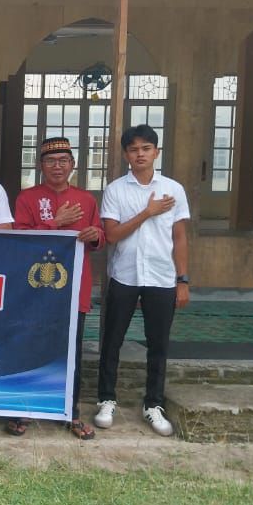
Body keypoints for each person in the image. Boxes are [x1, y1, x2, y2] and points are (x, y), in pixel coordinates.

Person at [94, 124, 190, 437]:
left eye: (146, 148)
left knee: (158, 344)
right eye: (134, 149)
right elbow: (111, 235)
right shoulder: (115, 190)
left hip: (161, 277)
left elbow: (179, 237)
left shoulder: (173, 189)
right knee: (112, 341)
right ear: (126, 154)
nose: (140, 154)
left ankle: (153, 404)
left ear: (156, 152)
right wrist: (147, 212)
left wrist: (183, 280)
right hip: (125, 275)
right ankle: (106, 399)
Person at [10, 137, 103, 440]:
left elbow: (100, 237)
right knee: (30, 348)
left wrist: (94, 234)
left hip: (73, 288)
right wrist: (56, 223)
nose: (57, 166)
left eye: (63, 160)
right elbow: (21, 239)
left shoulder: (86, 200)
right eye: (50, 161)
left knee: (72, 353)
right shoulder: (28, 198)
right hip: (35, 291)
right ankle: (23, 410)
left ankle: (71, 413)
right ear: (41, 166)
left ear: (73, 164)